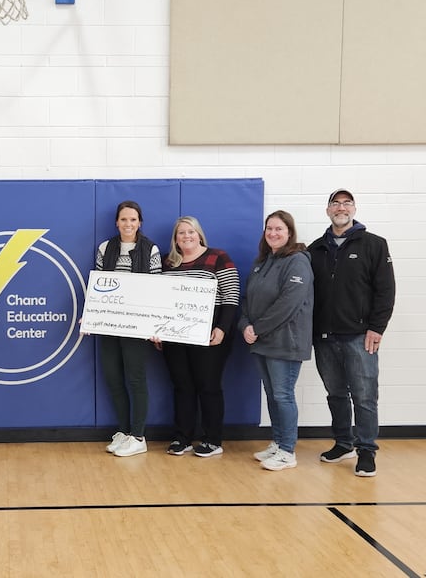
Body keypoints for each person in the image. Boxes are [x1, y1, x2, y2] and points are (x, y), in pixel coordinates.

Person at [309, 189, 395, 478]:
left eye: (346, 203)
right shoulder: (316, 249)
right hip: (324, 336)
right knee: (335, 394)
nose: (341, 208)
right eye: (335, 203)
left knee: (364, 396)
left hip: (360, 336)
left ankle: (366, 450)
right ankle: (343, 443)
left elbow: (386, 290)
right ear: (328, 210)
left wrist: (377, 328)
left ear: (354, 209)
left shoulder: (374, 244)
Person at [156, 216, 239, 458]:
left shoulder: (218, 257)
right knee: (182, 386)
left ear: (199, 234)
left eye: (190, 231)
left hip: (209, 332)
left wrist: (222, 328)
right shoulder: (168, 263)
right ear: (175, 239)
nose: (186, 236)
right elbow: (157, 299)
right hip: (174, 334)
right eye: (181, 233)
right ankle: (182, 438)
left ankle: (212, 440)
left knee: (208, 385)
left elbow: (231, 296)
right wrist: (157, 330)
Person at [238, 211, 313, 471]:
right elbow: (247, 299)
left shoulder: (297, 261)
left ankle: (287, 451)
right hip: (262, 341)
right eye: (269, 228)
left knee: (283, 395)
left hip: (285, 343)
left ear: (289, 232)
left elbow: (288, 304)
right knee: (272, 395)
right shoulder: (262, 261)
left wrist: (257, 328)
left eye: (279, 229)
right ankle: (278, 442)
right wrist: (245, 325)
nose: (273, 233)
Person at [95, 200, 161, 457]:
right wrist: (92, 317)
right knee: (113, 377)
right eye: (124, 219)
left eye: (133, 219)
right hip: (110, 324)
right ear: (116, 222)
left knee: (135, 378)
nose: (128, 224)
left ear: (139, 222)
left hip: (137, 326)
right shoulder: (105, 248)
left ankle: (138, 436)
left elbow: (156, 290)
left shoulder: (150, 249)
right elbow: (99, 286)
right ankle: (123, 432)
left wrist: (154, 325)